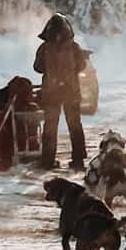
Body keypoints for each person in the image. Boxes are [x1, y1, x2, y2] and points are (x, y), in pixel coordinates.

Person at [34, 13, 88, 171]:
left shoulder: (44, 48)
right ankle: (78, 160)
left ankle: (47, 161)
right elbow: (82, 65)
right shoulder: (74, 47)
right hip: (71, 92)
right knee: (75, 126)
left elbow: (37, 67)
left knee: (50, 127)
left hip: (51, 93)